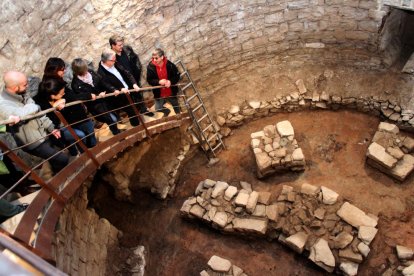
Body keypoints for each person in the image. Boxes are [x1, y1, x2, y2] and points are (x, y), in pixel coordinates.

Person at [0, 71, 69, 173]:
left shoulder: (22, 92)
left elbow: (38, 113)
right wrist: (35, 106)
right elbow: (22, 113)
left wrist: (51, 128)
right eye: (25, 84)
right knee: (63, 159)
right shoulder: (3, 104)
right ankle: (61, 176)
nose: (28, 86)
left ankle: (56, 173)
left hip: (43, 133)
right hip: (33, 142)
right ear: (15, 88)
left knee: (54, 159)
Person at [34, 78, 97, 156]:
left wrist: (62, 100)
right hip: (56, 129)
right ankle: (83, 153)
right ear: (53, 96)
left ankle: (81, 152)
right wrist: (55, 107)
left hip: (68, 123)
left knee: (81, 133)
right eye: (61, 94)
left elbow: (72, 96)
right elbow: (49, 121)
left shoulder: (59, 91)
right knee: (80, 135)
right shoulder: (40, 103)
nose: (64, 94)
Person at [71, 58, 122, 135]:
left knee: (115, 118)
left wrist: (112, 89)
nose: (86, 70)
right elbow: (80, 96)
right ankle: (118, 135)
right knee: (112, 120)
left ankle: (118, 133)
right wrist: (96, 95)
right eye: (84, 69)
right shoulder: (76, 84)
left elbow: (102, 82)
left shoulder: (91, 72)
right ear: (78, 71)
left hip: (106, 100)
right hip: (96, 107)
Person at [109, 35, 153, 116]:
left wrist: (137, 74)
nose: (122, 46)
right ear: (113, 45)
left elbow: (136, 60)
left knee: (138, 95)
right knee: (129, 100)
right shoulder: (110, 56)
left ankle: (143, 110)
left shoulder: (127, 49)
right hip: (123, 83)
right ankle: (136, 115)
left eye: (122, 44)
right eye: (119, 45)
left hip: (133, 78)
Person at [97, 49, 141, 127]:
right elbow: (106, 85)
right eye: (113, 60)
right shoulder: (101, 73)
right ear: (106, 61)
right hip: (119, 96)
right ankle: (136, 127)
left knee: (133, 109)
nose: (115, 61)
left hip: (127, 91)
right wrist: (119, 89)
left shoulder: (115, 63)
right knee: (131, 110)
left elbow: (127, 73)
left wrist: (134, 83)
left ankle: (136, 125)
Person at [146, 48, 181, 117]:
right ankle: (167, 111)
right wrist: (158, 81)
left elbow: (177, 76)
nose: (154, 60)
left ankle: (179, 115)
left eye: (156, 58)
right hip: (159, 93)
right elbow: (149, 80)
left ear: (162, 57)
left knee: (175, 104)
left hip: (170, 91)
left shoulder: (170, 65)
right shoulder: (150, 67)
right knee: (158, 108)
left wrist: (170, 81)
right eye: (153, 58)